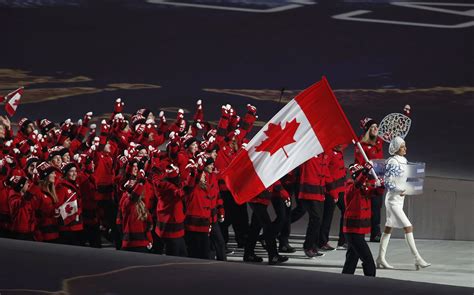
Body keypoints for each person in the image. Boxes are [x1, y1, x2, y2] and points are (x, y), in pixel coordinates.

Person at [376, 137, 431, 270]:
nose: (405, 148)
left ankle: (380, 258)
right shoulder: (392, 162)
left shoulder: (404, 160)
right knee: (408, 227)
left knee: (388, 228)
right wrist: (400, 189)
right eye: (402, 147)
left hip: (400, 200)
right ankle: (417, 258)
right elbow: (387, 182)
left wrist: (412, 186)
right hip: (393, 200)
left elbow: (405, 178)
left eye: (405, 146)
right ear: (396, 148)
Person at [342, 162, 377, 277]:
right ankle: (370, 284)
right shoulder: (350, 187)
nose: (366, 177)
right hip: (353, 231)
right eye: (361, 174)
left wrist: (380, 185)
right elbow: (357, 184)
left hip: (359, 231)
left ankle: (344, 281)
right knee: (369, 262)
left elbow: (376, 192)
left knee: (351, 261)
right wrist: (365, 172)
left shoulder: (364, 188)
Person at [354, 117, 385, 242]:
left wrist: (406, 114)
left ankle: (375, 233)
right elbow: (359, 164)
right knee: (367, 208)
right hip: (368, 181)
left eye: (376, 126)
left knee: (377, 207)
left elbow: (396, 132)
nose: (375, 129)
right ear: (367, 130)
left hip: (379, 180)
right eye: (372, 127)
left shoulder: (379, 142)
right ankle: (361, 232)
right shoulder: (362, 146)